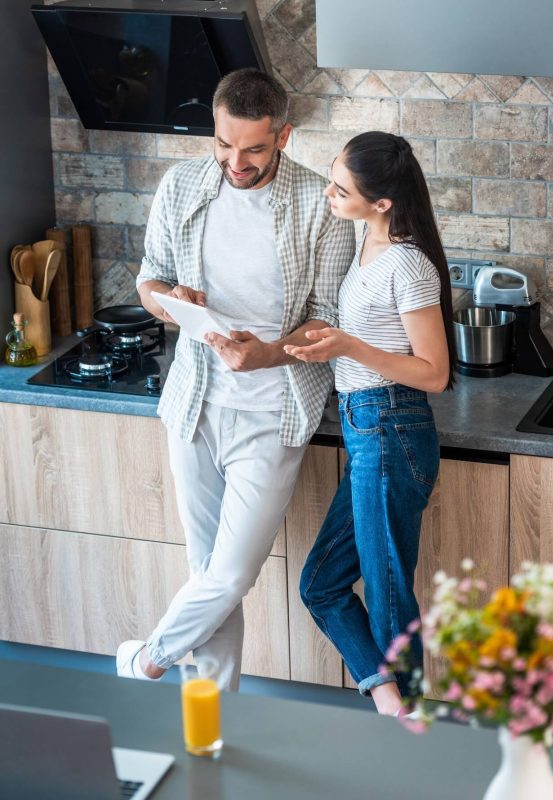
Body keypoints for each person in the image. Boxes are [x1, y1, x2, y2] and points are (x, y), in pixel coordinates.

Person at [116, 68, 355, 689]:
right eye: (224, 144)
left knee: (230, 575)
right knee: (206, 574)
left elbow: (328, 315)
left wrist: (270, 354)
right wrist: (170, 301)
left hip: (273, 411)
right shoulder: (181, 184)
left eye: (253, 149)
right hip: (194, 404)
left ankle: (147, 661)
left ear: (284, 137)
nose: (235, 162)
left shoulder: (320, 204)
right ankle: (213, 721)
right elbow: (148, 279)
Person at [284, 131, 456, 716]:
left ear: (382, 202)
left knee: (387, 597)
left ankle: (407, 727)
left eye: (341, 189)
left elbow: (434, 373)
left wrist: (350, 346)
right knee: (321, 584)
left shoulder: (408, 264)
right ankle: (389, 699)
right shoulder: (368, 242)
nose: (329, 193)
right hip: (367, 429)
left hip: (391, 427)